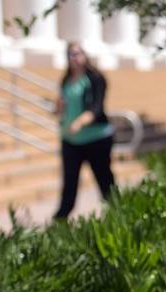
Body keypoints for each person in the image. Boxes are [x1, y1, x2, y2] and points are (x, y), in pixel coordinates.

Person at [53, 42, 116, 221]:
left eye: (77, 53)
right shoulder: (65, 80)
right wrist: (58, 108)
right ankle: (60, 219)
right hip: (70, 141)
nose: (74, 57)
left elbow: (96, 108)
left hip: (96, 139)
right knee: (69, 184)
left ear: (85, 55)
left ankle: (118, 216)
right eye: (70, 54)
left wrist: (79, 122)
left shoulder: (96, 78)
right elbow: (61, 110)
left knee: (105, 182)